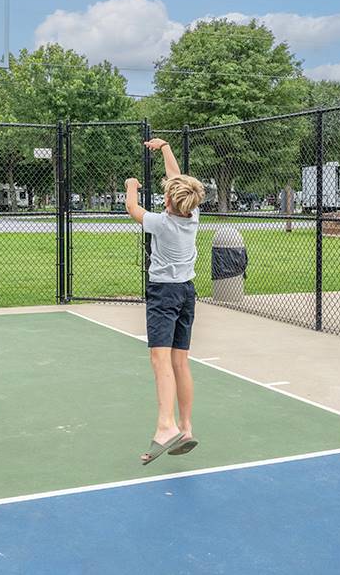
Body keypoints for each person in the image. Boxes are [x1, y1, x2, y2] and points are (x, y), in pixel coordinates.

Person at [124, 138, 206, 465]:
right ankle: (185, 427)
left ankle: (165, 426)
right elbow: (176, 178)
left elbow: (133, 209)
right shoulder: (192, 216)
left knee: (160, 362)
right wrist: (165, 149)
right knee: (180, 362)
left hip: (163, 295)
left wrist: (131, 186)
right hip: (187, 292)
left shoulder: (163, 223)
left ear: (170, 202)